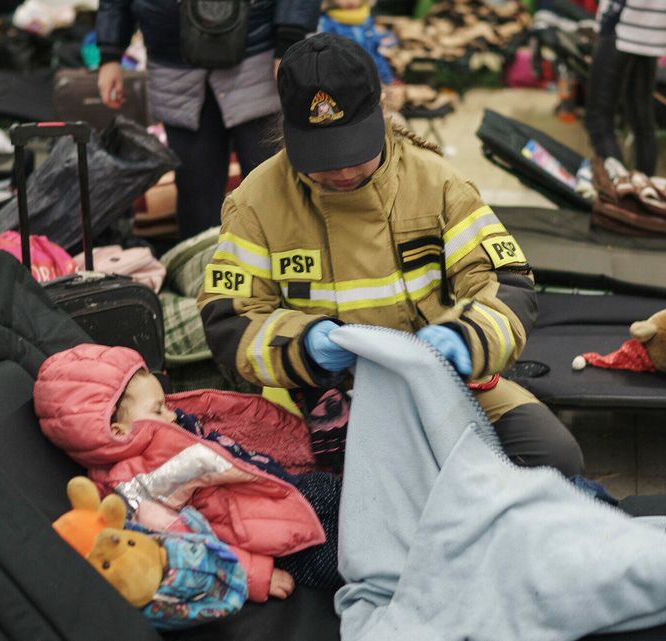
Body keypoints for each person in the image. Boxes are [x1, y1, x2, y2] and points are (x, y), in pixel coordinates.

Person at [197, 33, 585, 479]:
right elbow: (229, 318)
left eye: (353, 152)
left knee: (555, 459)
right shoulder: (255, 203)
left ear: (382, 111)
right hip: (317, 399)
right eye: (322, 158)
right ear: (289, 132)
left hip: (439, 380)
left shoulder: (437, 182)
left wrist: (464, 339)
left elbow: (505, 282)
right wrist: (305, 345)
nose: (341, 172)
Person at [33, 343, 345, 603]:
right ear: (117, 430)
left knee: (354, 502)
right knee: (344, 562)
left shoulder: (163, 432)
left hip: (289, 491)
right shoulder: (134, 486)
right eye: (157, 410)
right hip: (275, 541)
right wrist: (253, 574)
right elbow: (183, 542)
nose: (170, 414)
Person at [94, 0, 322, 239]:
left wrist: (289, 41)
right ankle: (201, 272)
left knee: (274, 188)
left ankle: (283, 272)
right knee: (196, 196)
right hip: (175, 65)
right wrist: (110, 54)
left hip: (256, 59)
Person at [583, 0, 666, 179]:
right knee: (641, 120)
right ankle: (641, 191)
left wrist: (609, 17)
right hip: (655, 29)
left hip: (623, 24)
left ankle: (619, 189)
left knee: (598, 120)